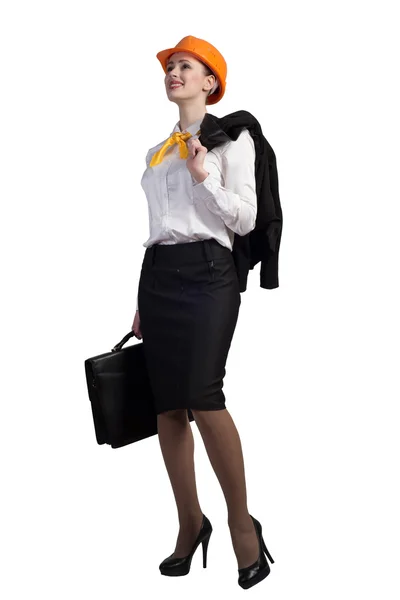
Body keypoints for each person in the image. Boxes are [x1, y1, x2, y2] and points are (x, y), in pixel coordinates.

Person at [131, 35, 274, 590]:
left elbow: (243, 220)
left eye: (184, 66)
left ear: (210, 80)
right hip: (159, 279)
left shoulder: (232, 140)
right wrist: (140, 299)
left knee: (204, 397)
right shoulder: (158, 150)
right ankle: (190, 522)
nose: (173, 73)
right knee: (168, 407)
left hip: (210, 277)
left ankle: (241, 523)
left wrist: (203, 175)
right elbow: (159, 232)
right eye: (170, 67)